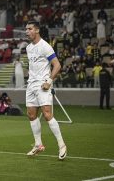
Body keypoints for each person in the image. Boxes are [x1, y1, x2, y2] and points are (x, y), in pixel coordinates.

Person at [24, 21, 67, 160]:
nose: (27, 31)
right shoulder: (28, 48)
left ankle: (62, 145)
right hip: (31, 85)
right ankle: (38, 145)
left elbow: (57, 65)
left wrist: (49, 81)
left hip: (43, 85)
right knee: (31, 115)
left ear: (37, 30)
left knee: (47, 114)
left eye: (29, 29)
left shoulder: (45, 46)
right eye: (26, 29)